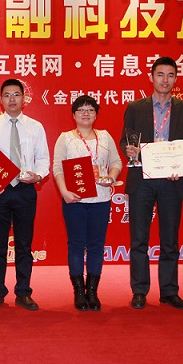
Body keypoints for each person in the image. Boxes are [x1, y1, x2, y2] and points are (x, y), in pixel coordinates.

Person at [120, 56, 183, 310]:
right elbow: (125, 140)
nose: (165, 80)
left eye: (170, 75)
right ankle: (139, 290)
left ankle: (169, 291)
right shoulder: (135, 107)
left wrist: (181, 168)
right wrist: (129, 150)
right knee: (138, 240)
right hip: (141, 179)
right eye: (160, 74)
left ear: (176, 79)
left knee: (170, 239)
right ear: (151, 77)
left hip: (171, 181)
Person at [0, 78, 50, 311]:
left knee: (24, 245)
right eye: (7, 95)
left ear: (23, 99)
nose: (12, 99)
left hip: (25, 190)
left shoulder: (35, 127)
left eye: (16, 94)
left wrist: (38, 175)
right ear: (0, 99)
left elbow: (44, 158)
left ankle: (23, 292)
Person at [53, 95, 122, 311]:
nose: (86, 113)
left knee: (96, 245)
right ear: (73, 115)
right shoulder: (65, 138)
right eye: (81, 110)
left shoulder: (105, 136)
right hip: (74, 199)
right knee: (76, 244)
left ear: (96, 114)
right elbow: (57, 168)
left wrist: (111, 177)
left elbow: (116, 162)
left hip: (101, 199)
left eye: (90, 109)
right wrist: (64, 192)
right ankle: (78, 292)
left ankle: (92, 291)